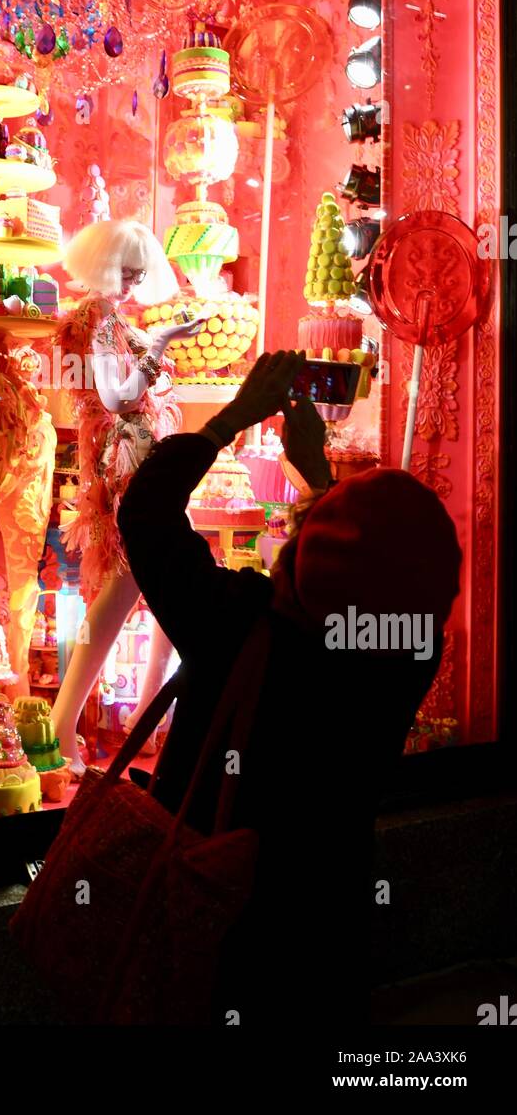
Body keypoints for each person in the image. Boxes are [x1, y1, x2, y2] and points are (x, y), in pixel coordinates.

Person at [116, 350, 462, 1026]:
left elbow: (146, 513)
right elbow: (370, 572)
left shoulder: (240, 626)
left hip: (212, 924)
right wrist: (326, 486)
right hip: (321, 933)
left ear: (298, 556)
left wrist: (231, 419)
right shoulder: (408, 654)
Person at [50, 219, 206, 774]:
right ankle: (62, 729)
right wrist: (160, 344)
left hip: (146, 466)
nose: (134, 282)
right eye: (126, 271)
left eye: (140, 272)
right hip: (127, 470)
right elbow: (117, 399)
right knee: (124, 589)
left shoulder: (114, 322)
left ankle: (147, 719)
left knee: (164, 584)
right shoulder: (94, 321)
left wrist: (166, 341)